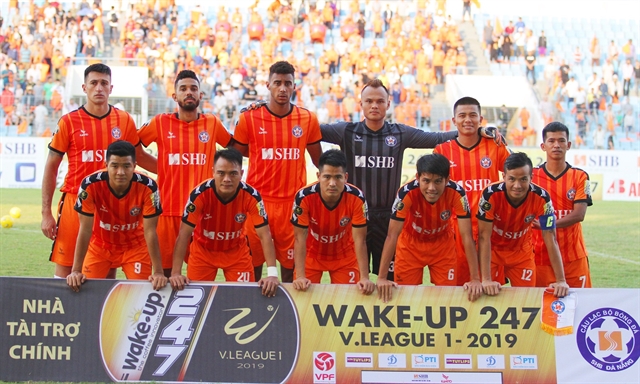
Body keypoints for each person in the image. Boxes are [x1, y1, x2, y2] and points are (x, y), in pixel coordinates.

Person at [41, 63, 156, 278]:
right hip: (75, 201)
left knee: (105, 270)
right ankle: (65, 312)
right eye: (93, 83)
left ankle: (100, 312)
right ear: (84, 87)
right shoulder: (69, 122)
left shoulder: (123, 120)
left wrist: (169, 170)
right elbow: (51, 165)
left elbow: (139, 157)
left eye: (104, 83)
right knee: (65, 269)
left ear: (111, 88)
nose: (99, 88)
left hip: (110, 206)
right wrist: (46, 213)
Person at [232, 61, 323, 282]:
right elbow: (238, 153)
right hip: (257, 204)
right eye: (278, 83)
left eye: (288, 83)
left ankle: (288, 314)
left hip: (292, 205)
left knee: (291, 271)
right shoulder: (249, 118)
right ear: (268, 85)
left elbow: (319, 160)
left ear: (294, 87)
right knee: (252, 266)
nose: (283, 88)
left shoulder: (307, 119)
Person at [138, 70, 232, 276]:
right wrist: (161, 167)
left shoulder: (212, 123)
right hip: (168, 211)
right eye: (183, 89)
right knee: (165, 273)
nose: (189, 92)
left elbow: (235, 149)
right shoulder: (160, 122)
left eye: (193, 89)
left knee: (202, 276)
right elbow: (135, 150)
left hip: (203, 214)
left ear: (200, 95)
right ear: (175, 96)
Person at [169, 148, 279, 297]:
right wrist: (176, 273)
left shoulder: (251, 196)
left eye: (233, 173)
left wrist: (272, 273)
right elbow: (184, 233)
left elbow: (265, 235)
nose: (227, 179)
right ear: (213, 172)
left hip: (236, 252)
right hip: (203, 252)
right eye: (221, 173)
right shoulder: (199, 194)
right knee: (196, 299)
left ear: (241, 173)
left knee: (244, 297)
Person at [377, 153, 481, 303]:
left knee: (447, 297)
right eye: (426, 181)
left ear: (447, 180)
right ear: (417, 177)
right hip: (410, 245)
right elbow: (392, 235)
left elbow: (466, 236)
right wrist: (381, 278)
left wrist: (475, 279)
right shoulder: (406, 192)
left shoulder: (457, 192)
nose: (431, 188)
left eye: (438, 181)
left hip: (442, 246)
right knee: (405, 298)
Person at [66, 141, 166, 292]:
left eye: (126, 166)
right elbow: (85, 229)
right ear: (106, 164)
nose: (120, 172)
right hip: (100, 246)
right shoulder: (89, 184)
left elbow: (150, 231)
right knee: (87, 291)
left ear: (135, 165)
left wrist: (158, 272)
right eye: (115, 166)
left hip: (135, 247)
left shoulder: (149, 186)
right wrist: (75, 270)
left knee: (141, 293)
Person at [433, 97, 511, 287]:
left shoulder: (495, 146)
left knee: (491, 286)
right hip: (455, 230)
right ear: (454, 120)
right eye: (462, 115)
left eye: (472, 115)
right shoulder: (442, 150)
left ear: (481, 118)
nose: (467, 120)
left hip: (490, 227)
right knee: (459, 287)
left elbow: (516, 175)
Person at [477, 152, 569, 298]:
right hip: (492, 251)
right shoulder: (490, 194)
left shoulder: (542, 198)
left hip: (521, 253)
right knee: (488, 296)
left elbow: (550, 237)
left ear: (531, 178)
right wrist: (486, 279)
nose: (517, 185)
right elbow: (483, 236)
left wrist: (561, 280)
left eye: (523, 179)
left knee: (527, 298)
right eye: (512, 179)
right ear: (504, 177)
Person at [291, 150, 374, 295]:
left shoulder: (357, 197)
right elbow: (299, 238)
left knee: (348, 301)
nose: (332, 183)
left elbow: (360, 239)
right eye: (327, 177)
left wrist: (365, 277)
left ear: (346, 177)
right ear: (318, 176)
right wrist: (300, 276)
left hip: (344, 256)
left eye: (338, 177)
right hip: (312, 255)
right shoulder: (304, 197)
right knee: (304, 299)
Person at [532, 122, 592, 288]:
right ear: (543, 146)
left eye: (561, 141)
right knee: (541, 308)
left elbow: (579, 215)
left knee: (581, 307)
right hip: (540, 257)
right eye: (551, 141)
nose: (556, 145)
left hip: (573, 258)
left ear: (569, 145)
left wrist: (546, 224)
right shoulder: (531, 176)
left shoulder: (580, 176)